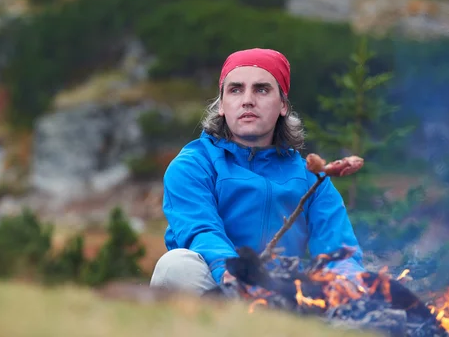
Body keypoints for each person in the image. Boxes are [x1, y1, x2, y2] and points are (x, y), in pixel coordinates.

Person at [149, 47, 365, 296]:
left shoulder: (311, 179)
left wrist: (346, 284)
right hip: (217, 287)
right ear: (222, 105)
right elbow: (201, 231)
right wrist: (236, 275)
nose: (247, 99)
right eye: (235, 89)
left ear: (283, 105)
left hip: (281, 296)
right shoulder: (192, 166)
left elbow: (339, 250)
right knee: (174, 266)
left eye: (261, 89)